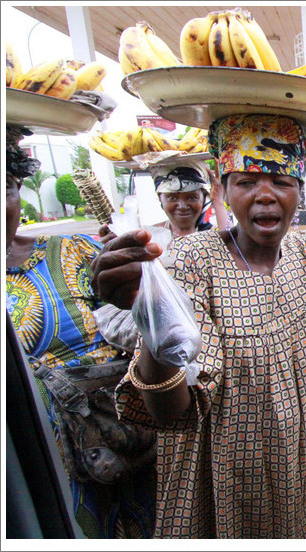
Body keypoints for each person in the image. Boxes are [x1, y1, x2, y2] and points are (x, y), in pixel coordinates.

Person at [90, 104, 306, 538]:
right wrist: (154, 322)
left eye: (281, 180)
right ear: (223, 188)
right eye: (247, 181)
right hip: (225, 478)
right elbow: (173, 408)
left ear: (298, 190)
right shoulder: (192, 259)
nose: (265, 194)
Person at [5, 125, 156, 539]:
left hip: (130, 439)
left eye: (6, 187)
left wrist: (140, 293)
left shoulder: (73, 250)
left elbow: (132, 325)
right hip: (40, 466)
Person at [99, 157, 230, 245]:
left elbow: (230, 245)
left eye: (191, 197)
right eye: (172, 198)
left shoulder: (213, 235)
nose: (182, 206)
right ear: (160, 198)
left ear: (204, 198)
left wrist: (218, 200)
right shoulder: (148, 237)